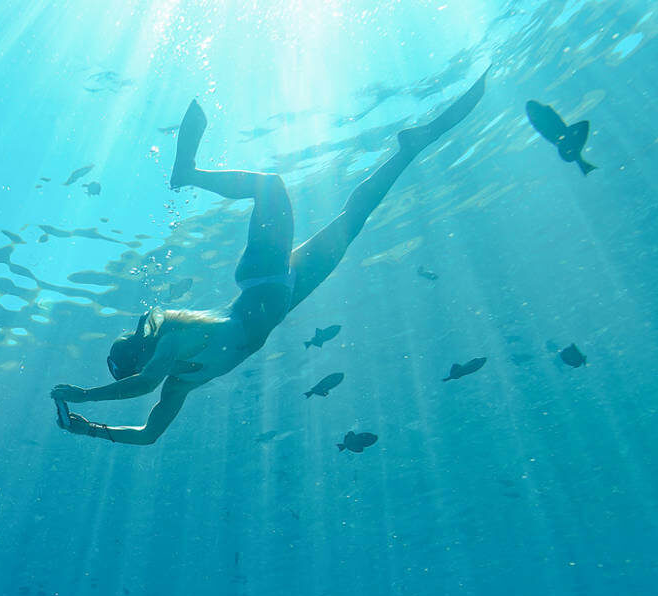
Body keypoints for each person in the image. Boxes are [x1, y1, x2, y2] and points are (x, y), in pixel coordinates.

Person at [52, 71, 487, 444]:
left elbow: (142, 385)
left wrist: (84, 397)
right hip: (285, 289)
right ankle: (407, 150)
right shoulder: (179, 385)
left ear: (142, 354)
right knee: (353, 220)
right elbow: (148, 435)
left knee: (272, 188)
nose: (143, 371)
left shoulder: (169, 346)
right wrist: (89, 428)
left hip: (263, 282)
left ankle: (189, 172)